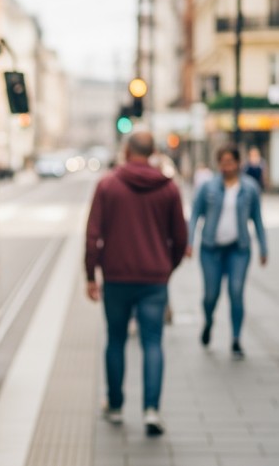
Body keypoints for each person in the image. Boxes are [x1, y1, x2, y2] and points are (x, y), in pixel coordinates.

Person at [85, 131, 188, 437]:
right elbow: (181, 237)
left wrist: (91, 275)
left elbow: (93, 236)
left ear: (127, 151)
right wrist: (167, 267)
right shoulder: (168, 188)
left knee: (115, 340)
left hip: (116, 278)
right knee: (152, 342)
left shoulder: (107, 185)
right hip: (154, 279)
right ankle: (151, 410)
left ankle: (115, 406)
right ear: (154, 152)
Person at [188, 145, 268, 359]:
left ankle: (235, 339)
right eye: (223, 162)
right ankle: (208, 320)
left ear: (238, 163)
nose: (227, 167)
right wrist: (189, 241)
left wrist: (263, 247)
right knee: (211, 295)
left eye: (230, 162)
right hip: (210, 249)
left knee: (236, 291)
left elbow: (258, 219)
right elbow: (195, 214)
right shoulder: (208, 187)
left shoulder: (249, 188)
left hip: (238, 249)